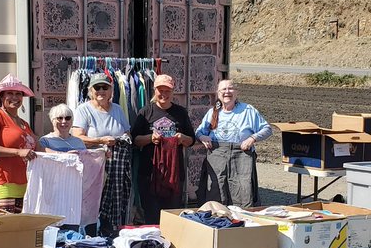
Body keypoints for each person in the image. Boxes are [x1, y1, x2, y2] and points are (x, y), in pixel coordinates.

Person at [194, 79, 271, 207]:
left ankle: (241, 222)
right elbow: (199, 132)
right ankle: (217, 221)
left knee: (243, 190)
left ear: (236, 92)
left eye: (230, 89)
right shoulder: (213, 112)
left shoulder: (248, 110)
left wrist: (252, 138)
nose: (227, 92)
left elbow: (267, 129)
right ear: (218, 93)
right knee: (216, 191)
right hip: (217, 155)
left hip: (241, 155)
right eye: (223, 89)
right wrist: (202, 137)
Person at [72, 73, 132, 236]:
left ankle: (110, 232)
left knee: (115, 199)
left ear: (111, 90)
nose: (101, 91)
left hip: (116, 165)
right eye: (97, 87)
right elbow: (77, 137)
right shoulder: (84, 110)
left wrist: (121, 140)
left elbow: (127, 133)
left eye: (105, 87)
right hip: (94, 166)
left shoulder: (118, 110)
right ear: (90, 90)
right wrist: (101, 140)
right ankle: (90, 234)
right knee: (93, 200)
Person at [131, 74, 195, 224]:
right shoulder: (145, 113)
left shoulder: (181, 113)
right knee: (152, 216)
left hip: (174, 175)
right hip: (149, 175)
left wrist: (181, 138)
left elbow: (191, 140)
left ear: (173, 92)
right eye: (161, 90)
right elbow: (134, 140)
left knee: (172, 216)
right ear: (155, 91)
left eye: (168, 91)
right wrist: (149, 138)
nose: (164, 94)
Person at [0, 73, 38, 213]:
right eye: (10, 93)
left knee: (18, 228)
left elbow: (38, 148)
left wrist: (66, 155)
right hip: (2, 181)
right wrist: (18, 152)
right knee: (6, 226)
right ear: (1, 97)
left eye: (18, 94)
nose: (15, 97)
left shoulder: (24, 124)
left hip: (23, 182)